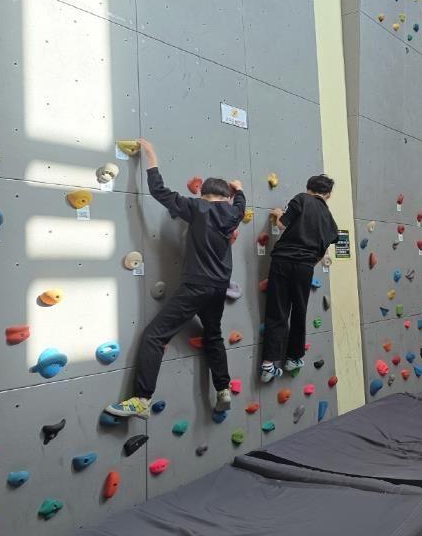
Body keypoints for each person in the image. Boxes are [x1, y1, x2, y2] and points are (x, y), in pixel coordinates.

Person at [106, 139, 245, 418]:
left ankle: (141, 399)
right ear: (226, 197)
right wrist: (239, 189)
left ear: (204, 194)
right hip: (219, 288)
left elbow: (158, 191)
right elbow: (240, 202)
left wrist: (151, 155)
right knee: (214, 335)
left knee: (154, 336)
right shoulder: (233, 213)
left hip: (196, 286)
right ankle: (223, 388)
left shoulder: (196, 208)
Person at [260, 175, 339, 383]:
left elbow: (282, 222)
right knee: (299, 310)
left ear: (308, 188)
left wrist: (278, 213)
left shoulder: (301, 199)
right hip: (305, 266)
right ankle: (293, 358)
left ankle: (268, 365)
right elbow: (323, 251)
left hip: (282, 261)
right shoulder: (329, 219)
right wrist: (307, 264)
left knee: (277, 311)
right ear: (328, 195)